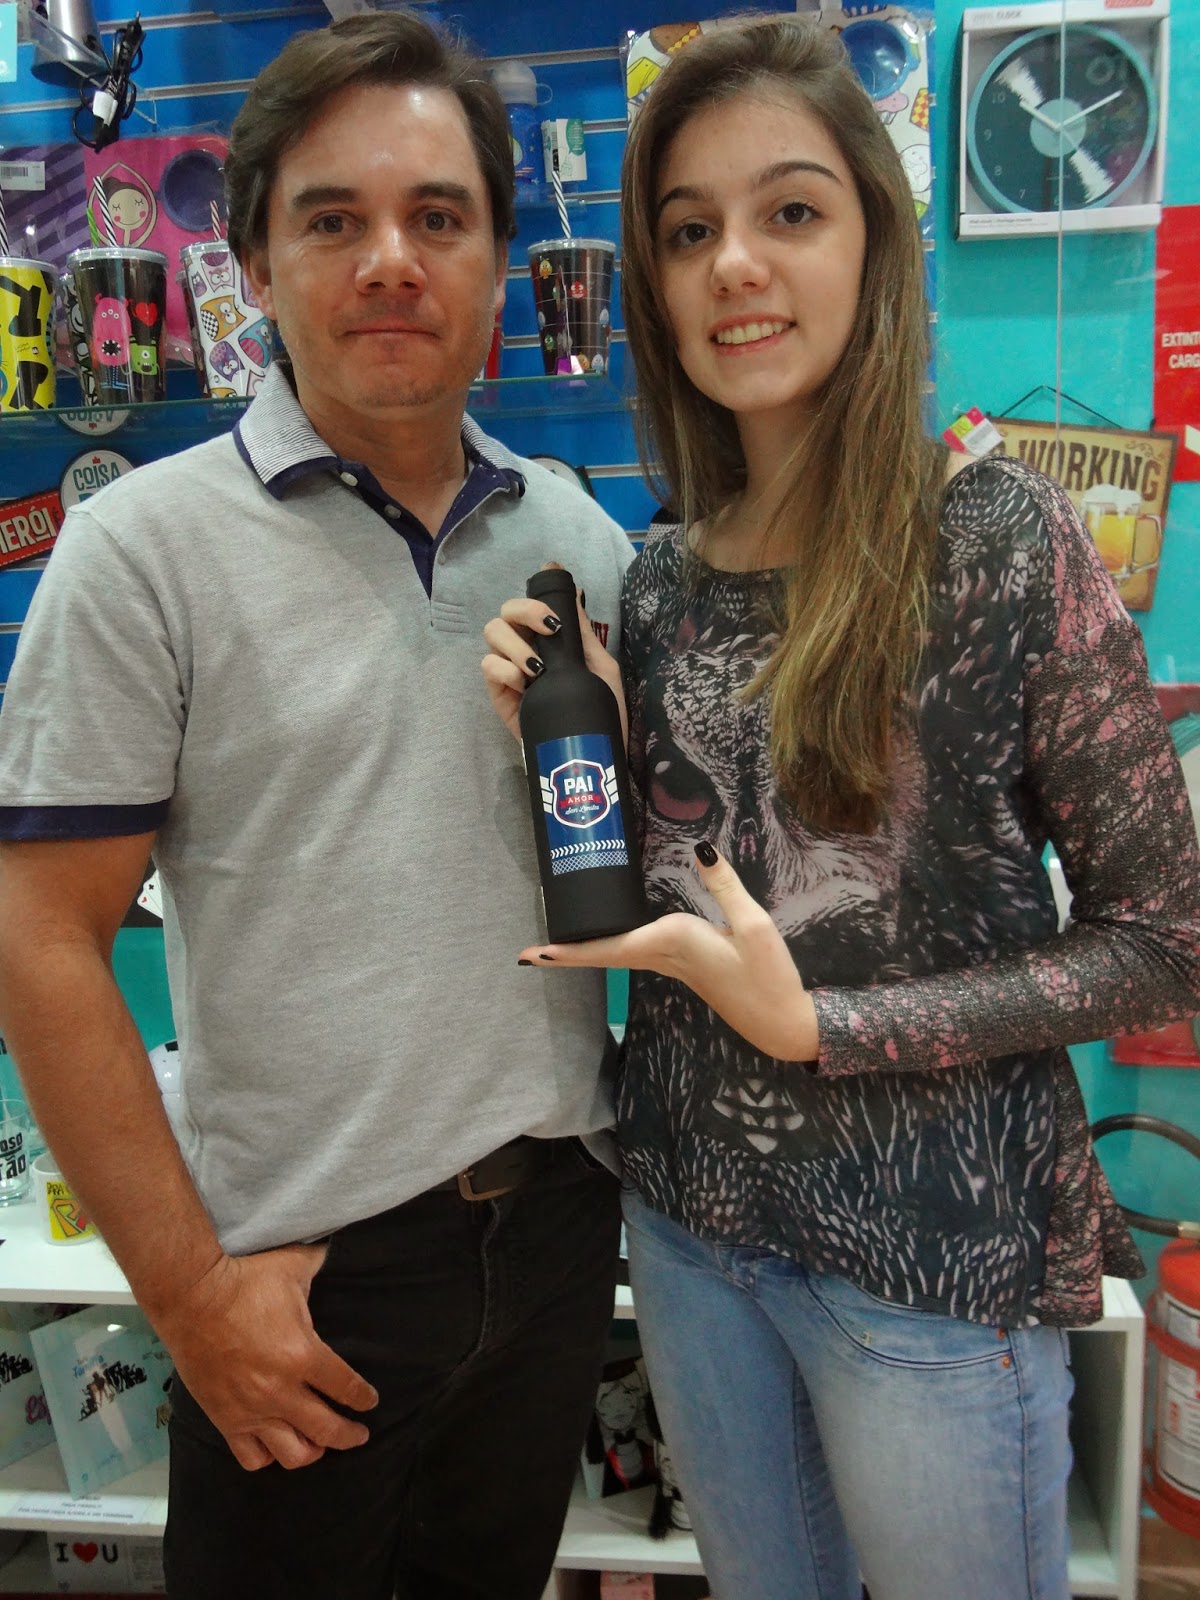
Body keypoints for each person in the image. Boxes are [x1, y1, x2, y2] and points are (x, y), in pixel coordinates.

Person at [482, 18, 1200, 1600]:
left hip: (931, 1265)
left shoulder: (998, 540)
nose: (736, 264)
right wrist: (586, 730)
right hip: (691, 1232)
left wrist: (830, 1030)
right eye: (689, 232)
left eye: (791, 211)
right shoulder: (658, 580)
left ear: (875, 242)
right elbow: (695, 906)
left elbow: (1167, 941)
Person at [0, 14, 635, 1599]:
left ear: (498, 260)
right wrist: (187, 1296)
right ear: (256, 267)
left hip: (559, 1235)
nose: (390, 262)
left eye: (438, 216)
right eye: (334, 219)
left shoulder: (580, 540)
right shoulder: (139, 553)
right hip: (305, 1280)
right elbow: (41, 941)